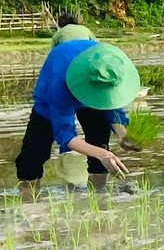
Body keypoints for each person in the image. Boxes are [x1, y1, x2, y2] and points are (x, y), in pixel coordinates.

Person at [15, 39, 139, 195]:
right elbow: (65, 135)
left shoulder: (110, 65)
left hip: (94, 79)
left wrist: (122, 135)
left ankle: (99, 194)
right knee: (32, 156)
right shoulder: (58, 84)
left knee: (99, 141)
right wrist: (103, 155)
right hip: (55, 90)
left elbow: (111, 104)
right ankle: (28, 199)